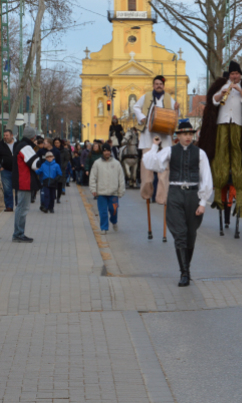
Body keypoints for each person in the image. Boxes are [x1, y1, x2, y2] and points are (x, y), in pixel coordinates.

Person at [143, 121, 213, 286]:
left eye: (191, 134)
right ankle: (185, 274)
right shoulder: (169, 151)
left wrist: (203, 202)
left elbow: (206, 178)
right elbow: (151, 163)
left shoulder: (200, 153)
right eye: (185, 134)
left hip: (193, 195)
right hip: (175, 194)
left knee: (190, 235)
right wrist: (154, 146)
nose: (188, 137)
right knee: (180, 234)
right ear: (178, 136)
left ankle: (186, 269)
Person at [198, 60, 242, 220]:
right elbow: (214, 100)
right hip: (222, 123)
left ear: (240, 75)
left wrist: (238, 89)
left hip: (238, 124)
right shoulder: (222, 85)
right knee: (221, 155)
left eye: (237, 74)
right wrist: (224, 91)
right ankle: (217, 195)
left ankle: (239, 199)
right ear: (229, 75)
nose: (235, 76)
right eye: (232, 74)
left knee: (238, 156)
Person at [134, 75, 180, 204]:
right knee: (146, 168)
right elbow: (136, 107)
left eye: (160, 84)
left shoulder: (169, 98)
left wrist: (177, 109)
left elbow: (176, 114)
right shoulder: (146, 96)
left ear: (163, 86)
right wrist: (142, 117)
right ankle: (147, 193)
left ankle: (162, 197)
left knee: (164, 169)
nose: (158, 85)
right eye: (156, 83)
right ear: (153, 85)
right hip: (148, 137)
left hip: (164, 138)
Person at [12, 127, 43, 243]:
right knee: (22, 208)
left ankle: (18, 233)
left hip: (21, 180)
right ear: (33, 137)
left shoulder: (19, 144)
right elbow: (35, 164)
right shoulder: (26, 147)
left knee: (20, 208)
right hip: (24, 181)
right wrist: (44, 160)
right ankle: (18, 234)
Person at [89, 144, 126, 234]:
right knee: (103, 212)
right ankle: (104, 228)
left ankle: (114, 221)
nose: (107, 152)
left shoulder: (116, 163)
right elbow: (92, 177)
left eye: (108, 151)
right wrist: (93, 189)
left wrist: (121, 191)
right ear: (102, 152)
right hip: (101, 192)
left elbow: (121, 178)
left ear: (110, 152)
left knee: (114, 210)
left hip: (113, 193)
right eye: (105, 151)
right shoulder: (97, 163)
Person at [0, 129, 16, 212]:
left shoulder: (18, 144)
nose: (5, 137)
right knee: (7, 189)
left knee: (18, 188)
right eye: (4, 135)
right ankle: (9, 206)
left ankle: (18, 205)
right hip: (5, 170)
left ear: (11, 135)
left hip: (17, 170)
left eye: (7, 135)